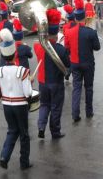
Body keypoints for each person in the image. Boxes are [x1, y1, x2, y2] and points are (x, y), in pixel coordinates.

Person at [0, 28, 33, 170]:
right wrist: (27, 83)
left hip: (7, 106)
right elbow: (27, 93)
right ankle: (24, 163)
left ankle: (4, 156)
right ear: (15, 54)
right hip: (20, 106)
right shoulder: (22, 71)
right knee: (24, 134)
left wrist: (5, 92)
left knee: (12, 131)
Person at [34, 9, 70, 139]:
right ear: (56, 33)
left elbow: (38, 41)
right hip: (55, 83)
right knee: (55, 107)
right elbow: (68, 64)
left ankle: (41, 127)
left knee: (44, 105)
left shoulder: (38, 47)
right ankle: (55, 132)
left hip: (42, 82)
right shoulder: (61, 49)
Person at [65, 0, 101, 122]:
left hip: (74, 63)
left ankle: (75, 114)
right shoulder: (91, 32)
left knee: (76, 88)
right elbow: (97, 48)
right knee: (89, 87)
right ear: (85, 17)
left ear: (75, 18)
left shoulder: (68, 32)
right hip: (88, 64)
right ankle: (89, 112)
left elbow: (67, 47)